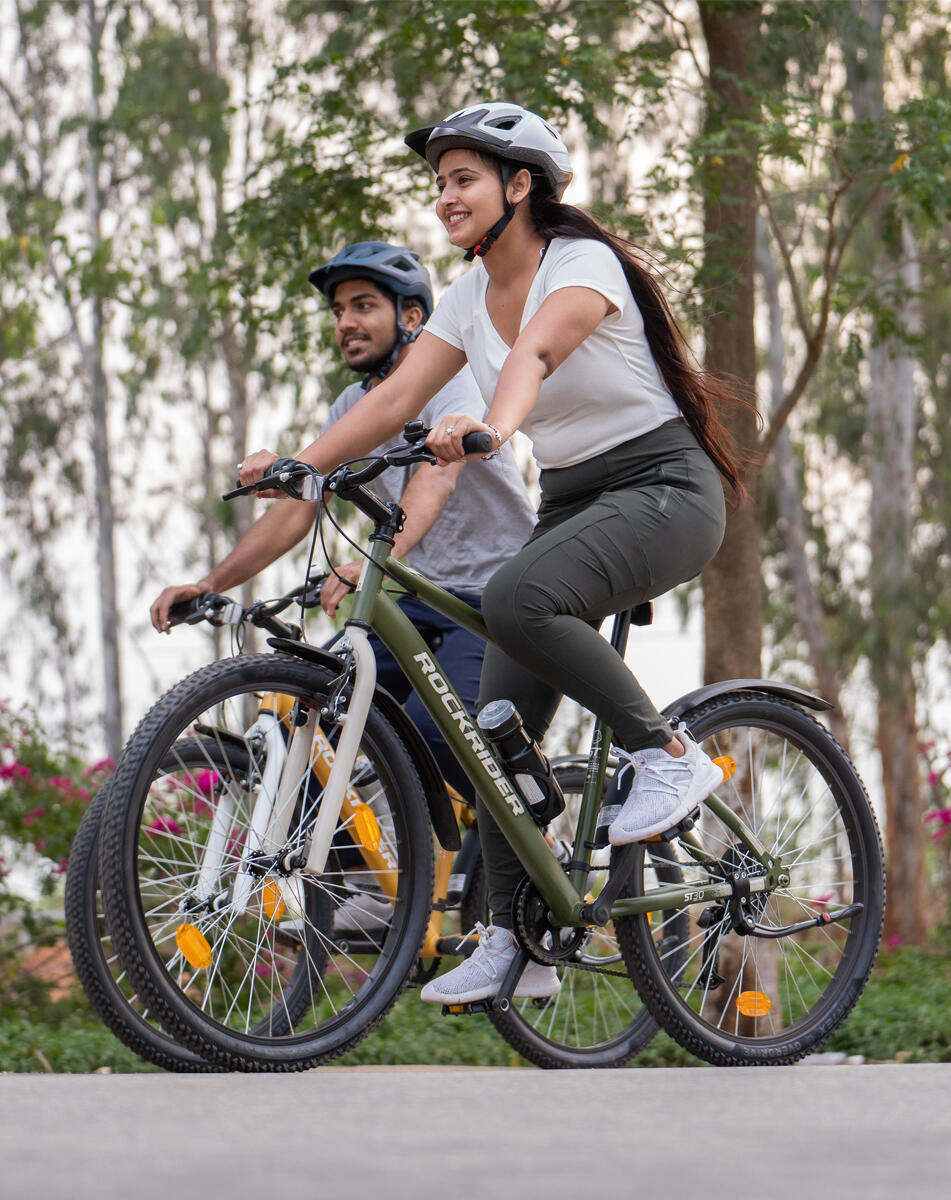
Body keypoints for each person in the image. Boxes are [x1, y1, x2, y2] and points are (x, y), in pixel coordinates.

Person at [235, 102, 747, 1003]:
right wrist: (299, 466)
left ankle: (667, 753)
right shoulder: (469, 297)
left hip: (664, 489)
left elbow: (540, 351)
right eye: (439, 183)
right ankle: (517, 938)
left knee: (516, 594)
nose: (445, 198)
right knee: (493, 742)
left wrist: (492, 425)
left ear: (521, 185)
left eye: (463, 178)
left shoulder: (584, 264)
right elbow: (393, 404)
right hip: (576, 501)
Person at [150, 241, 536, 928]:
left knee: (432, 731)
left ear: (413, 317)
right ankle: (361, 884)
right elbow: (297, 508)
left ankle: (513, 849)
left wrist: (379, 559)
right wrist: (210, 582)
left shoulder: (452, 382)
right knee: (326, 713)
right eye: (338, 311)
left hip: (498, 598)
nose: (346, 323)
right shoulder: (350, 406)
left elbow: (436, 476)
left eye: (364, 306)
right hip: (420, 600)